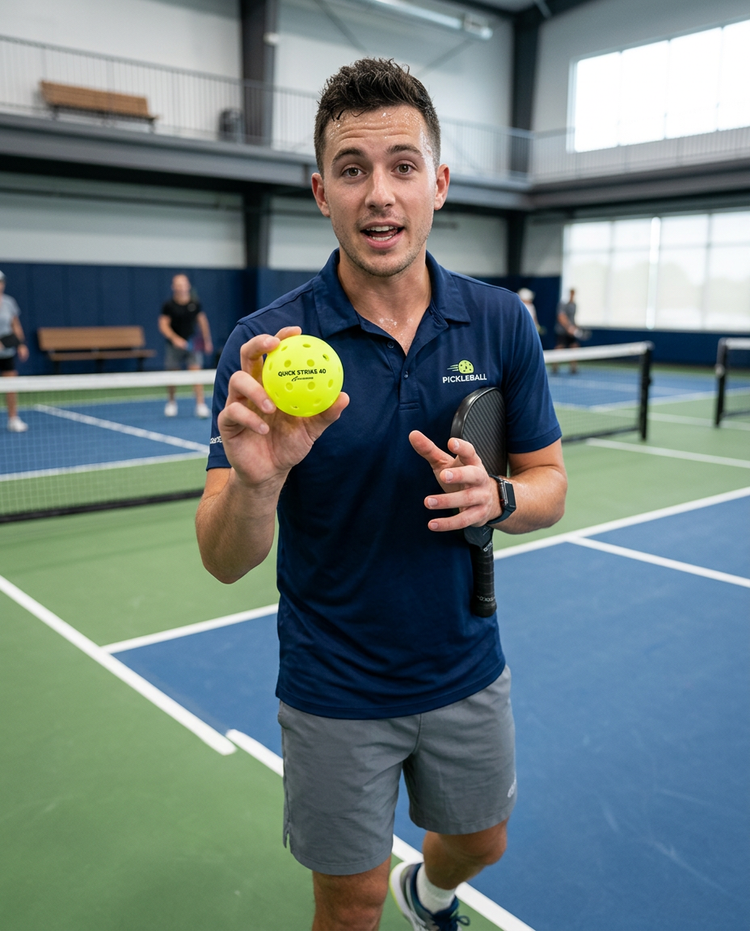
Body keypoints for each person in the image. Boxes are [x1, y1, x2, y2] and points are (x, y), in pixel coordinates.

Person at [196, 59, 567, 931]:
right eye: (353, 169)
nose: (380, 194)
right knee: (350, 903)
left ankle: (428, 893)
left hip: (465, 662)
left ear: (438, 183)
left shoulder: (501, 322)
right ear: (321, 192)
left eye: (403, 166)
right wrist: (258, 479)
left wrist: (499, 499)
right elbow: (222, 559)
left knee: (480, 841)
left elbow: (550, 484)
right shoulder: (265, 345)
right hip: (333, 681)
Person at [158, 273, 213, 417]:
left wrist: (207, 341)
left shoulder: (195, 304)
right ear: (173, 287)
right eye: (178, 285)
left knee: (196, 375)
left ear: (188, 286)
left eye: (183, 284)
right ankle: (171, 403)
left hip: (191, 345)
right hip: (173, 346)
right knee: (172, 376)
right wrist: (175, 339)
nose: (181, 287)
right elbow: (163, 325)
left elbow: (202, 321)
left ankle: (200, 405)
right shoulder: (168, 306)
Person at [0, 271, 30, 432]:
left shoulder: (9, 302)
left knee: (10, 386)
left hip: (6, 352)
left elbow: (15, 326)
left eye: (1, 282)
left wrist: (21, 344)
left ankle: (13, 419)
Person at [554, 287, 579, 373]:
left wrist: (574, 327)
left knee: (574, 346)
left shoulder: (574, 305)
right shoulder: (563, 304)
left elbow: (573, 318)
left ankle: (573, 367)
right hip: (562, 330)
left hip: (571, 331)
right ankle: (555, 366)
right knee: (560, 347)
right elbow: (561, 317)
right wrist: (568, 327)